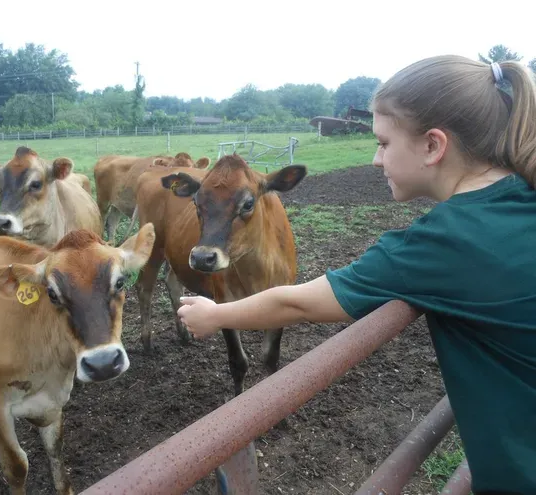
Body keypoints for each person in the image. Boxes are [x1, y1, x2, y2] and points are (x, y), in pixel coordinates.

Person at [176, 54, 536, 494]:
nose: (374, 159)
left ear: (432, 146)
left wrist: (214, 315)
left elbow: (299, 302)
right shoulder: (522, 196)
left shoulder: (446, 241)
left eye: (383, 143)